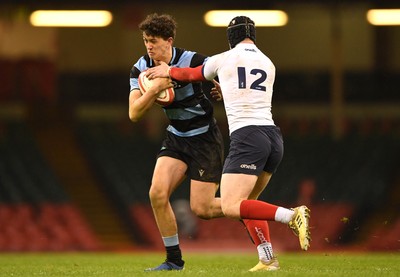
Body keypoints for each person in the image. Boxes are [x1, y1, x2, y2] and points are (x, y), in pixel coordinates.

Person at [146, 15, 311, 272]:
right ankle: (268, 258)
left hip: (248, 138)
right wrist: (228, 92)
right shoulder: (268, 62)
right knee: (249, 205)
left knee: (232, 206)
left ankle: (291, 215)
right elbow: (249, 91)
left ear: (230, 37)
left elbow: (192, 74)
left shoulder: (225, 58)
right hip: (273, 138)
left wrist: (168, 70)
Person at [128, 13, 225, 271]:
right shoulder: (140, 69)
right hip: (177, 138)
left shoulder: (192, 59)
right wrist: (154, 88)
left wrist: (221, 87)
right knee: (157, 193)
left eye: (153, 41)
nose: (148, 46)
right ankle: (174, 261)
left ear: (169, 41)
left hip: (205, 138)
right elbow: (134, 113)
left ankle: (245, 206)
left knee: (202, 209)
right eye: (145, 41)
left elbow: (223, 73)